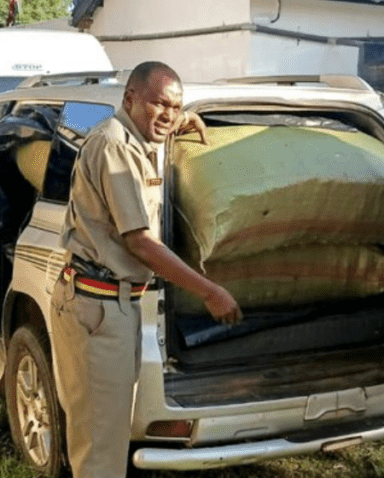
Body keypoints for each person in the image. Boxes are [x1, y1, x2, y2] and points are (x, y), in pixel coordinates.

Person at [51, 61, 242, 478]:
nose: (169, 115)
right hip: (96, 307)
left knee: (109, 434)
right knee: (100, 451)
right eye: (160, 104)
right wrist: (209, 290)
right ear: (129, 98)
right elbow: (138, 241)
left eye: (176, 107)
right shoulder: (115, 147)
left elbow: (158, 123)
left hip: (113, 307)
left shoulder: (136, 135)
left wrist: (178, 118)